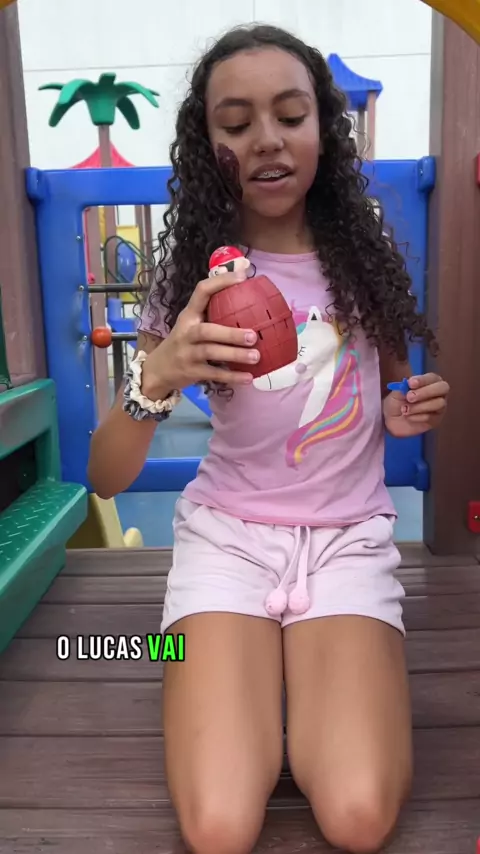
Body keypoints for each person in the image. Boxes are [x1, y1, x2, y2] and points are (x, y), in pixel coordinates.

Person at [88, 23, 450, 854]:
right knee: (219, 828)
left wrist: (404, 406)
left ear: (324, 128)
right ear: (207, 144)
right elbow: (105, 478)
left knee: (359, 817)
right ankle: (243, 681)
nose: (266, 140)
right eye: (237, 122)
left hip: (346, 545)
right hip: (228, 544)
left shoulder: (363, 264)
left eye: (290, 116)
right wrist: (159, 375)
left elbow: (394, 388)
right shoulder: (191, 285)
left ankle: (298, 685)